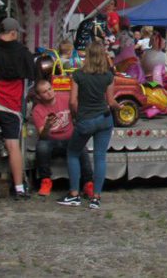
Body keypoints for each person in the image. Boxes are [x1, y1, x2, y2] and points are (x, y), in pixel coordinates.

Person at [58, 41, 120, 209]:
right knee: (100, 157)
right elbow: (111, 101)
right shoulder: (108, 76)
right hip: (104, 119)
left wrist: (75, 116)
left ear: (87, 56)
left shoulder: (78, 75)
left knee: (73, 153)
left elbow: (72, 101)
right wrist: (119, 107)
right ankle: (96, 197)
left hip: (85, 119)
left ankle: (74, 194)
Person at [0, 17, 38, 198]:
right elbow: (33, 78)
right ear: (12, 33)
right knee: (13, 145)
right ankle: (19, 188)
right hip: (11, 105)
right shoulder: (23, 52)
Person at [31, 79, 93, 198]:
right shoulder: (38, 110)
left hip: (69, 139)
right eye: (44, 92)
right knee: (41, 146)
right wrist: (47, 126)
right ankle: (46, 181)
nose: (49, 92)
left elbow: (79, 113)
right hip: (51, 141)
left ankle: (88, 184)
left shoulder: (66, 99)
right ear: (39, 96)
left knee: (81, 146)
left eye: (50, 89)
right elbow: (42, 136)